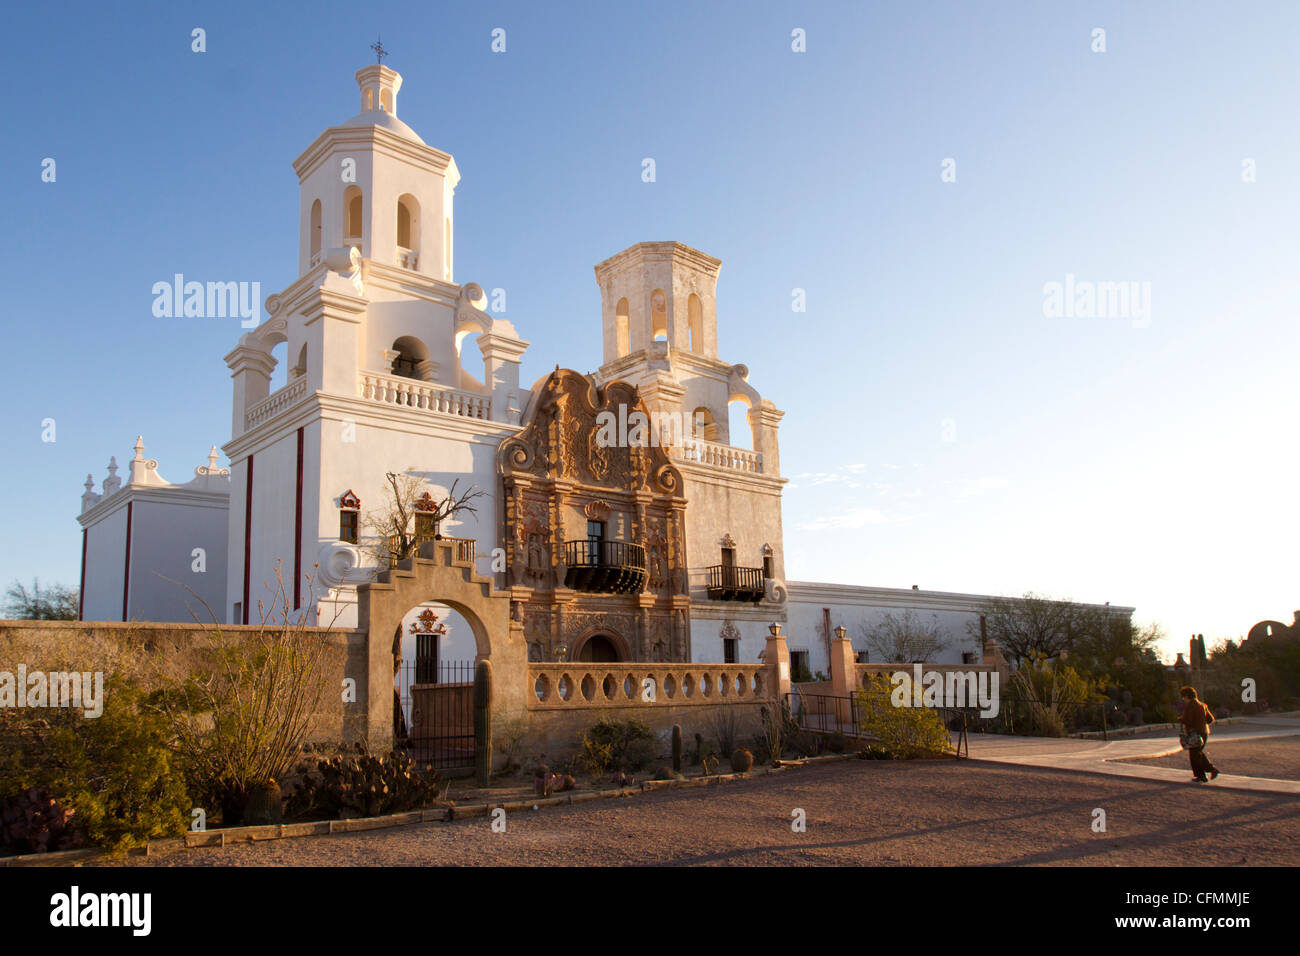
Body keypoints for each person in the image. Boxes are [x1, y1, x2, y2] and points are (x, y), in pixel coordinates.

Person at [1178, 686, 1219, 783]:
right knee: (1198, 753)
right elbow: (1210, 719)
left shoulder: (1190, 706)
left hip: (1195, 733)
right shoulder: (1202, 705)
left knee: (1194, 755)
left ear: (1187, 696)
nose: (1183, 700)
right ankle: (1211, 770)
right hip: (1204, 732)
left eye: (1183, 697)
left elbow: (1188, 720)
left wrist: (1180, 719)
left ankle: (1201, 775)